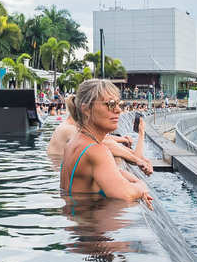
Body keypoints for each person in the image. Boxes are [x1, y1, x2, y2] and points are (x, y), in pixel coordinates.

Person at [60, 79, 153, 208]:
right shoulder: (96, 150)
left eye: (118, 104)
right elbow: (126, 194)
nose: (118, 110)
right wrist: (142, 186)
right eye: (110, 104)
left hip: (78, 222)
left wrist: (131, 179)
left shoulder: (74, 142)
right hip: (90, 224)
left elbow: (106, 174)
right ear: (86, 109)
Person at [49, 95, 153, 175]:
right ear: (86, 111)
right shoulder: (69, 129)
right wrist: (137, 155)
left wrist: (123, 140)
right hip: (60, 170)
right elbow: (104, 142)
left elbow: (101, 139)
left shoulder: (73, 127)